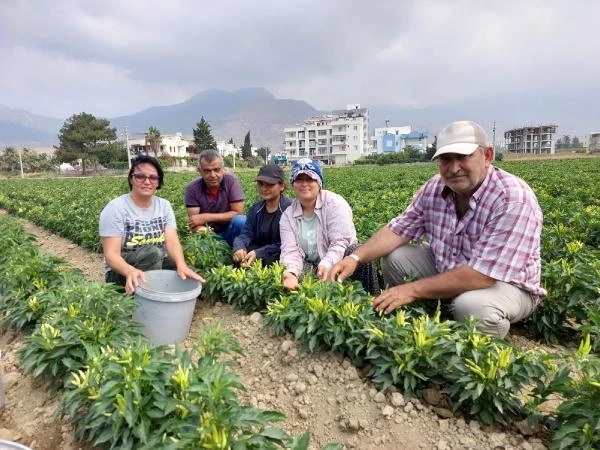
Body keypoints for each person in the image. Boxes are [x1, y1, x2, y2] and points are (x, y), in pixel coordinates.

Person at [329, 120, 545, 338]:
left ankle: (486, 351)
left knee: (471, 308)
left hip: (505, 284)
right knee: (394, 257)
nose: (453, 168)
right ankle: (420, 318)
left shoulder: (512, 198)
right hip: (451, 268)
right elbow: (399, 229)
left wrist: (412, 289)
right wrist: (355, 258)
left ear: (487, 156)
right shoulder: (435, 187)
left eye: (462, 157)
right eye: (445, 160)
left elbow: (483, 276)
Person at [99, 155, 203, 295]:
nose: (147, 182)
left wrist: (181, 265)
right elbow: (111, 254)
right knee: (152, 253)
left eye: (153, 178)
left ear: (158, 182)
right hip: (121, 272)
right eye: (140, 176)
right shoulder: (116, 208)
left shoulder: (164, 206)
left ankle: (155, 292)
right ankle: (144, 299)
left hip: (154, 262)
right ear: (131, 179)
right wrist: (130, 271)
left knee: (188, 274)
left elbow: (172, 242)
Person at [280, 158, 379, 294]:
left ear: (319, 182)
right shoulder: (287, 216)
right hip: (310, 265)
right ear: (293, 183)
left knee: (358, 251)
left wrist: (326, 264)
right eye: (299, 179)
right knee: (290, 272)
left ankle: (373, 298)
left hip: (340, 260)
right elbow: (290, 250)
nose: (304, 184)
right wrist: (291, 272)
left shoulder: (335, 204)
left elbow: (341, 242)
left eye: (310, 179)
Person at [232, 164, 292, 267]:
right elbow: (246, 234)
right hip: (259, 250)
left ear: (281, 186)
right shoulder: (256, 209)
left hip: (280, 252)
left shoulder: (289, 209)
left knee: (271, 261)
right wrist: (239, 247)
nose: (264, 188)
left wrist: (259, 253)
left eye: (269, 184)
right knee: (239, 258)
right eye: (261, 184)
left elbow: (287, 244)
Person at [184, 149, 246, 246]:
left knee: (241, 221)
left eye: (216, 170)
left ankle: (237, 249)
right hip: (208, 235)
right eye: (207, 171)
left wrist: (205, 217)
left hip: (229, 231)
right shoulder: (192, 188)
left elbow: (238, 213)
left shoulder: (231, 181)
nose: (213, 175)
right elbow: (194, 222)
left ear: (223, 169)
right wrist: (202, 229)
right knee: (204, 252)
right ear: (200, 172)